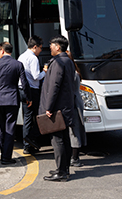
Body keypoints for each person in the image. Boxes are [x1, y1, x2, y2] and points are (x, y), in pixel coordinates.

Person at [40, 36, 76, 182]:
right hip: (66, 106)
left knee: (57, 140)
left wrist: (48, 107)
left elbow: (54, 86)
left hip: (58, 108)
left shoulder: (59, 62)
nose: (50, 47)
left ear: (58, 47)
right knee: (64, 138)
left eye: (52, 45)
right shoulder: (67, 61)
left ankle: (61, 172)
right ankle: (64, 169)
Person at [0, 42, 29, 164]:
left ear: (1, 51)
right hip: (12, 99)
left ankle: (3, 152)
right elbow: (24, 83)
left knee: (0, 127)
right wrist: (28, 98)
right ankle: (6, 156)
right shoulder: (18, 64)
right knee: (10, 127)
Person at [19, 36, 45, 155]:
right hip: (32, 90)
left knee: (27, 118)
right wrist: (45, 71)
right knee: (41, 116)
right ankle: (30, 138)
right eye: (40, 48)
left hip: (21, 89)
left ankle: (27, 146)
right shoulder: (33, 58)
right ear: (35, 47)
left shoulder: (21, 56)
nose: (41, 50)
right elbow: (36, 76)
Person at [67, 51, 87, 167]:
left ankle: (75, 158)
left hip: (73, 103)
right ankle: (74, 157)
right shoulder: (76, 72)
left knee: (74, 131)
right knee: (74, 130)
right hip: (76, 102)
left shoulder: (72, 74)